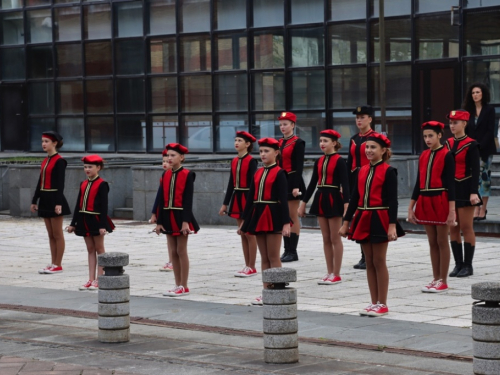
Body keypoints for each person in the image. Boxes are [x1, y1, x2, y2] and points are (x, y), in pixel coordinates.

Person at [339, 133, 404, 317]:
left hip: (380, 217)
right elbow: (355, 199)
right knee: (368, 261)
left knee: (379, 260)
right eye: (367, 147)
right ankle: (373, 301)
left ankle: (382, 303)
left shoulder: (389, 171)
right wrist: (346, 222)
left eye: (373, 147)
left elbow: (393, 201)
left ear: (383, 151)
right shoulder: (361, 170)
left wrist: (392, 225)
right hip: (363, 216)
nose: (368, 150)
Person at [239, 138, 291, 305]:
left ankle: (277, 290)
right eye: (261, 151)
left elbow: (283, 199)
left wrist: (285, 222)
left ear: (276, 153)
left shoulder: (280, 173)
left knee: (273, 256)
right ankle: (266, 290)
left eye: (266, 151)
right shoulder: (258, 172)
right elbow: (250, 199)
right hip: (258, 214)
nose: (263, 154)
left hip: (273, 214)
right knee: (264, 257)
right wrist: (245, 221)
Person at [407, 121, 456, 293]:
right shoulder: (423, 155)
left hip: (440, 198)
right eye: (425, 136)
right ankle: (435, 278)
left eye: (431, 136)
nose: (427, 139)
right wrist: (411, 207)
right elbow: (418, 183)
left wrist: (452, 211)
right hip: (425, 200)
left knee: (442, 241)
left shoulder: (447, 154)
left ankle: (443, 280)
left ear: (440, 135)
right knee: (432, 242)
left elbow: (451, 184)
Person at [298, 130, 349, 285]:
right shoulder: (318, 161)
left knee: (335, 238)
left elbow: (345, 184)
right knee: (326, 238)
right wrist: (303, 202)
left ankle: (337, 273)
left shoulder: (340, 161)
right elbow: (313, 183)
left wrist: (347, 205)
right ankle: (329, 271)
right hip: (321, 197)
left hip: (334, 198)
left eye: (325, 141)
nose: (322, 144)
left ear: (334, 143)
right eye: (321, 141)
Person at [155, 143, 200, 297]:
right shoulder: (165, 174)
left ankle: (184, 285)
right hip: (167, 215)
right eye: (168, 155)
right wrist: (159, 222)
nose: (169, 158)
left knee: (181, 250)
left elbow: (188, 200)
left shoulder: (188, 174)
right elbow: (161, 199)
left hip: (181, 216)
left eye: (173, 155)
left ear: (182, 157)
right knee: (173, 251)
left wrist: (186, 221)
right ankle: (176, 284)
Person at [67, 155, 115, 290]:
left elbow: (104, 206)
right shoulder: (83, 183)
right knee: (90, 249)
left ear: (98, 168)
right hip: (84, 219)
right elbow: (78, 204)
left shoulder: (102, 184)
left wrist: (102, 225)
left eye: (90, 167)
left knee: (100, 249)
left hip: (97, 219)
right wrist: (73, 223)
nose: (87, 169)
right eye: (85, 167)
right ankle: (90, 278)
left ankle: (100, 278)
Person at [445, 110, 482, 278]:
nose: (452, 126)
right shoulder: (447, 143)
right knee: (453, 228)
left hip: (466, 188)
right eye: (451, 123)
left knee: (466, 227)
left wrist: (474, 192)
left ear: (464, 124)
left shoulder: (472, 144)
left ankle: (468, 265)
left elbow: (476, 171)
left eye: (456, 122)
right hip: (451, 189)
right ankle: (458, 264)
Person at [31, 131, 71, 275]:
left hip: (55, 198)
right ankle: (52, 263)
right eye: (42, 141)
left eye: (47, 141)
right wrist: (34, 200)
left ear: (55, 143)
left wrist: (58, 203)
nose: (43, 144)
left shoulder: (60, 161)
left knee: (57, 233)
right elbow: (40, 182)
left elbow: (61, 184)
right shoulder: (45, 160)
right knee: (50, 234)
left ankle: (58, 264)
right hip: (44, 199)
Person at [219, 131, 258, 277]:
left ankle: (252, 266)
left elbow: (253, 184)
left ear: (247, 144)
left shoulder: (251, 161)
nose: (236, 143)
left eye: (240, 140)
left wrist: (252, 204)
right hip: (237, 196)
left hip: (248, 197)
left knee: (249, 233)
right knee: (242, 233)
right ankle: (246, 264)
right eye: (235, 140)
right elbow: (231, 183)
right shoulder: (234, 161)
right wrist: (225, 204)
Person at [347, 106, 378, 270]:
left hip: (371, 181)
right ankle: (363, 256)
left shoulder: (376, 138)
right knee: (358, 217)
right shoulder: (353, 138)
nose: (359, 120)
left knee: (369, 217)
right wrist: (345, 186)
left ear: (370, 119)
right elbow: (349, 163)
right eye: (357, 117)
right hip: (355, 181)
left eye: (362, 117)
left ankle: (371, 255)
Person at [462, 83, 496, 221]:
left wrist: (480, 146)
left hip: (485, 149)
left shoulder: (489, 110)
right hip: (471, 149)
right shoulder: (467, 111)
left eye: (478, 92)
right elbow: (466, 130)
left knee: (484, 179)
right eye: (473, 93)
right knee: (474, 180)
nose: (475, 95)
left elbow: (490, 130)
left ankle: (483, 209)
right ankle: (476, 208)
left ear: (483, 94)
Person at [277, 112, 305, 263]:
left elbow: (299, 166)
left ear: (293, 125)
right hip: (281, 180)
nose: (283, 127)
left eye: (285, 124)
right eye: (281, 124)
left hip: (293, 181)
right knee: (284, 216)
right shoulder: (279, 142)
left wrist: (295, 185)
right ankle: (286, 249)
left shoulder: (298, 142)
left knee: (292, 215)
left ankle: (292, 251)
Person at [151, 149, 174, 272]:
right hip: (163, 209)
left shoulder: (175, 175)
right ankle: (170, 260)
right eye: (163, 161)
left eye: (168, 161)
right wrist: (154, 212)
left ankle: (173, 261)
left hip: (172, 210)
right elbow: (159, 196)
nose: (165, 163)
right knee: (168, 237)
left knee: (172, 237)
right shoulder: (164, 175)